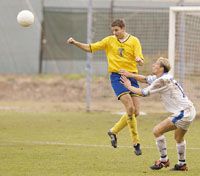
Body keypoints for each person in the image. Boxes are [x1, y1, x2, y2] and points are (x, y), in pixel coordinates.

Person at [67, 19, 144, 155]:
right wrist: (75, 43)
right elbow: (90, 48)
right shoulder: (109, 40)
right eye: (113, 30)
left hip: (132, 76)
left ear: (123, 28)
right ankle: (136, 142)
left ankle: (113, 131)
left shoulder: (134, 41)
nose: (114, 33)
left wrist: (139, 60)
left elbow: (141, 61)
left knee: (136, 112)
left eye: (117, 30)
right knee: (130, 108)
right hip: (117, 77)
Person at [119, 57, 196, 171]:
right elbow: (145, 79)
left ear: (161, 68)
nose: (153, 65)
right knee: (178, 138)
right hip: (189, 110)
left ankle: (164, 160)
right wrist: (129, 74)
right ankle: (181, 164)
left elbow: (143, 92)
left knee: (157, 130)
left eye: (156, 64)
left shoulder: (161, 80)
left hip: (183, 112)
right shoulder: (162, 77)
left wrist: (128, 86)